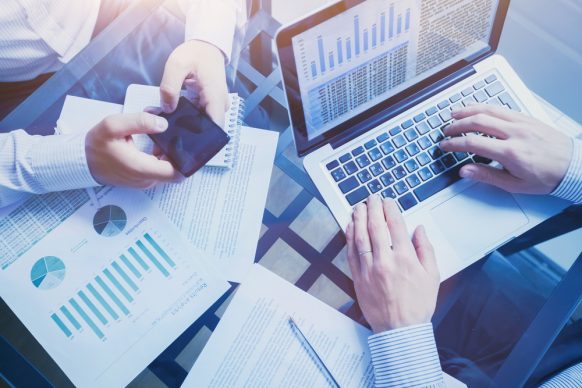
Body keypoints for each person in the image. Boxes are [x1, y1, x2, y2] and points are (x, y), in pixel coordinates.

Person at [345, 104, 582, 387]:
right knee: (400, 276)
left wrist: (401, 331)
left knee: (369, 306)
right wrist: (572, 167)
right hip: (563, 341)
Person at [0, 0, 246, 208]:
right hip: (27, 98)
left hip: (132, 15)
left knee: (246, 131)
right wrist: (77, 159)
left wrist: (209, 41)